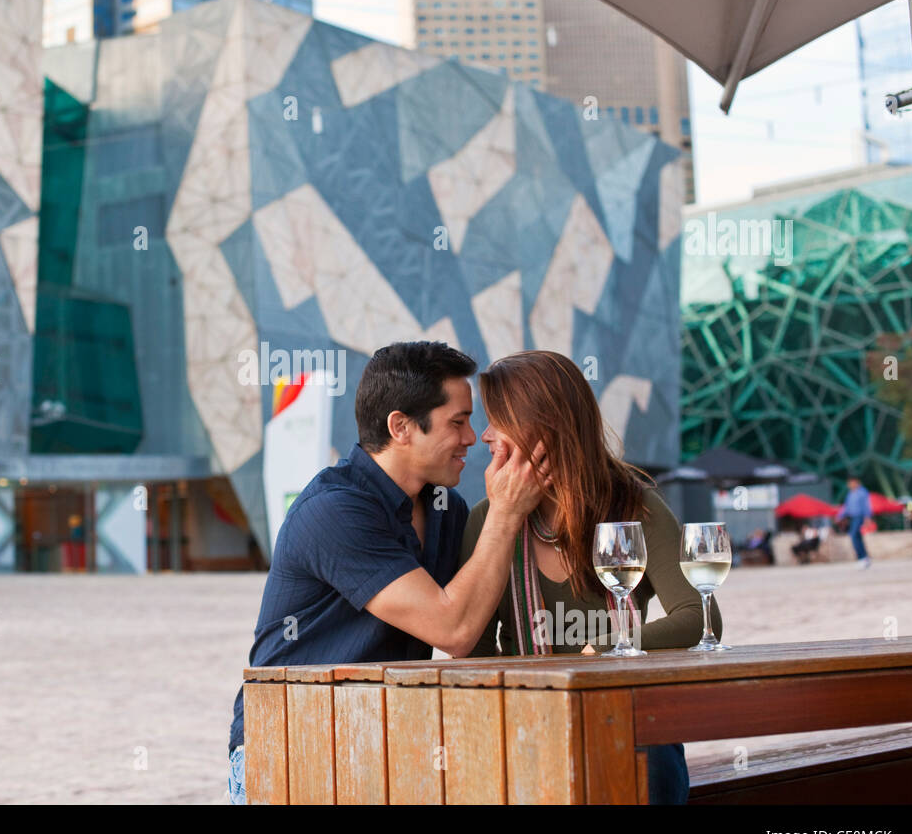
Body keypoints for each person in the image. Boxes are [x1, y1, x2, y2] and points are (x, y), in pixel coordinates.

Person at [227, 342, 549, 804]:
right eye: (457, 422)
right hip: (290, 755)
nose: (472, 437)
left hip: (381, 751)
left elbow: (477, 616)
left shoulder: (445, 508)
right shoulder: (334, 511)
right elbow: (453, 628)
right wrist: (504, 514)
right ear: (400, 427)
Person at [461, 351, 724, 805]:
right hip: (531, 721)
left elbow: (699, 618)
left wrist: (604, 651)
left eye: (497, 421)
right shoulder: (488, 519)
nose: (485, 436)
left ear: (540, 427)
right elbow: (475, 652)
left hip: (626, 715)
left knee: (649, 745)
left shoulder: (633, 504)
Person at [835, 477, 872, 569]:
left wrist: (867, 517)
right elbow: (847, 507)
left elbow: (866, 506)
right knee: (857, 537)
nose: (849, 485)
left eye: (850, 483)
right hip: (852, 517)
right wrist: (840, 516)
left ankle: (862, 557)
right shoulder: (850, 494)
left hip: (859, 517)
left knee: (854, 535)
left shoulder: (862, 492)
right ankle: (864, 557)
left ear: (855, 482)